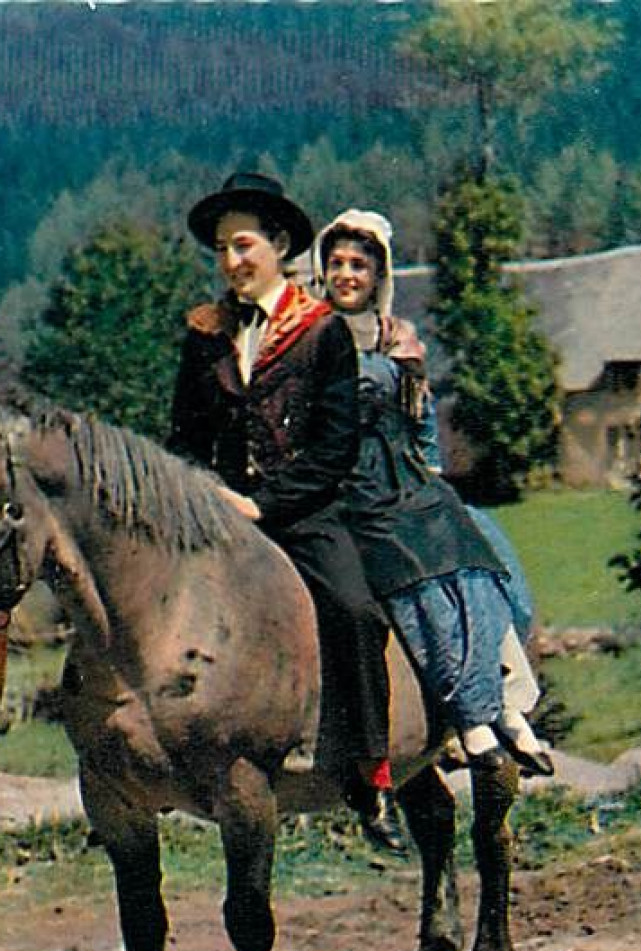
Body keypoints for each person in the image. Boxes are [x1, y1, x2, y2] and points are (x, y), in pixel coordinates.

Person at [167, 172, 407, 857]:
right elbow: (183, 436)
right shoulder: (203, 334)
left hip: (302, 512)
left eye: (242, 244)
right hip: (216, 515)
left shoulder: (322, 331)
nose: (230, 260)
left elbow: (336, 445)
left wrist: (265, 502)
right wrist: (203, 492)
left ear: (277, 246)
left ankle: (370, 772)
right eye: (220, 248)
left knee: (355, 608)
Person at [311, 210, 553, 775]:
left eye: (359, 265)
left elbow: (419, 424)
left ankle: (507, 703)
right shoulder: (312, 338)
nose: (347, 274)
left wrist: (432, 478)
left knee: (473, 546)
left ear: (378, 275)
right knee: (415, 570)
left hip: (407, 477)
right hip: (351, 483)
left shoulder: (400, 341)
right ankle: (467, 716)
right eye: (337, 264)